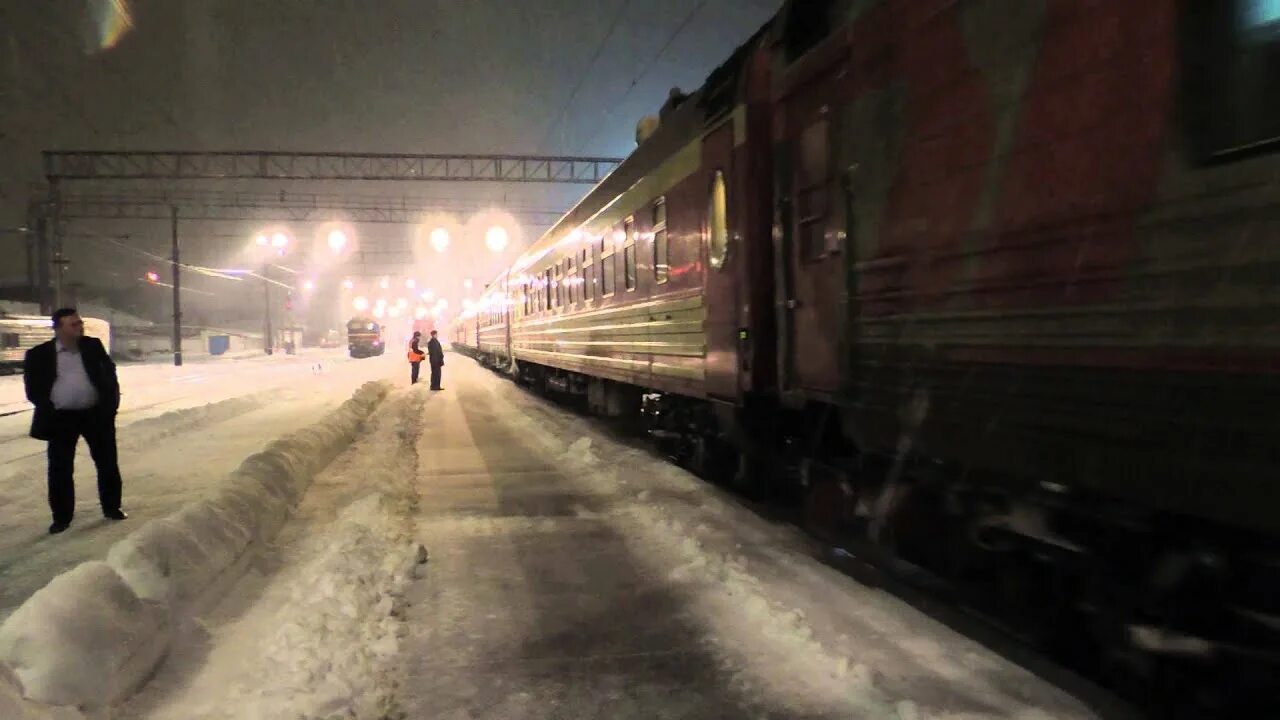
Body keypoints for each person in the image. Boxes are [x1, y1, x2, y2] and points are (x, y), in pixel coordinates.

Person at [23, 308, 127, 534]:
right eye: (73, 324)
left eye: (79, 323)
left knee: (107, 463)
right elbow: (33, 389)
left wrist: (110, 407)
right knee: (60, 469)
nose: (79, 327)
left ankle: (112, 507)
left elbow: (109, 376)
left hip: (95, 416)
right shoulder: (39, 354)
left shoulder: (92, 347)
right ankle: (61, 517)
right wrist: (50, 405)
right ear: (59, 328)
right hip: (61, 419)